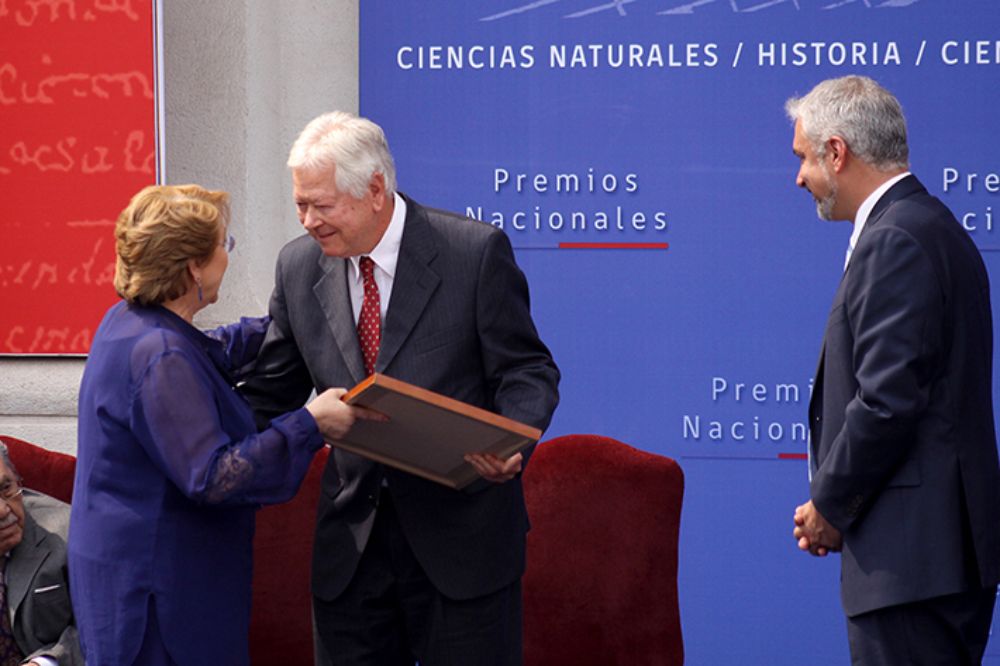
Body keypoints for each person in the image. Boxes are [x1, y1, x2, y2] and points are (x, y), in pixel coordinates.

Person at [240, 111, 560, 665]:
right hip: (352, 550)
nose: (308, 220)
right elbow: (270, 390)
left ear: (374, 189)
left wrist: (512, 444)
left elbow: (527, 372)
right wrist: (200, 447)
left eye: (322, 204)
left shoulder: (472, 252)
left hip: (462, 544)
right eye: (300, 204)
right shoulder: (296, 266)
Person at [70, 184, 382, 665]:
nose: (227, 256)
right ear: (194, 266)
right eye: (224, 245)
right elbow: (214, 476)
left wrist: (289, 317)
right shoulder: (160, 356)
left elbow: (211, 349)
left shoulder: (131, 323)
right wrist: (310, 424)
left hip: (132, 574)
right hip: (160, 593)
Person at [787, 75, 1000, 663]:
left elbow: (885, 400)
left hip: (912, 564)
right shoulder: (928, 226)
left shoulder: (898, 239)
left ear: (837, 151)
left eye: (804, 157)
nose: (798, 177)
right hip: (931, 562)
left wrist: (829, 504)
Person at [0, 443, 82, 666]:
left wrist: (45, 663)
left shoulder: (71, 535)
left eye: (6, 488)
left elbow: (105, 624)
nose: (3, 510)